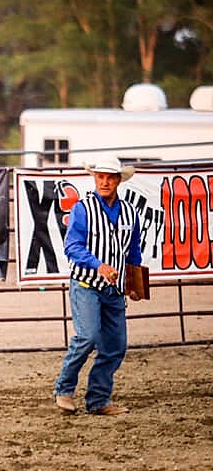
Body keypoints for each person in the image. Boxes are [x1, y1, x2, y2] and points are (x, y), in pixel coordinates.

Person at [53, 156, 144, 416]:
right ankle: (64, 388)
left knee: (116, 345)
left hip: (114, 290)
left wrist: (134, 282)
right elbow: (72, 247)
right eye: (100, 177)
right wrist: (99, 265)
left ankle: (98, 400)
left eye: (109, 177)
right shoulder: (83, 208)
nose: (104, 182)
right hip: (87, 283)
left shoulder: (129, 212)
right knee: (87, 336)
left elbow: (133, 250)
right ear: (95, 178)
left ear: (117, 180)